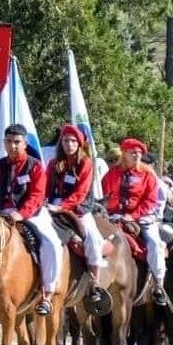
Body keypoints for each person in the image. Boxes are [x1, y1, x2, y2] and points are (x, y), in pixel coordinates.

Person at [0, 124, 62, 315]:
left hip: (31, 214)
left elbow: (37, 196)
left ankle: (47, 291)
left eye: (17, 142)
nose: (13, 146)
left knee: (51, 243)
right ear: (4, 143)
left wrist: (20, 213)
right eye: (9, 142)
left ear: (25, 143)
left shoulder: (35, 165)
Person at [44, 124, 106, 302]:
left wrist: (62, 206)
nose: (69, 144)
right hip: (50, 208)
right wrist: (45, 203)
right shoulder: (53, 164)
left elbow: (80, 193)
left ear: (79, 144)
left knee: (94, 240)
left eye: (73, 141)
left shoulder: (86, 163)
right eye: (65, 140)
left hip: (78, 210)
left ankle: (95, 283)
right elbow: (45, 186)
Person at [101, 138, 167, 305]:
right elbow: (105, 195)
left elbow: (150, 200)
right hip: (113, 216)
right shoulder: (112, 173)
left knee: (154, 243)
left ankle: (159, 284)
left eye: (140, 153)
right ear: (124, 154)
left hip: (141, 217)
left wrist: (133, 215)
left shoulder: (147, 174)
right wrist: (107, 209)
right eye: (133, 152)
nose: (137, 155)